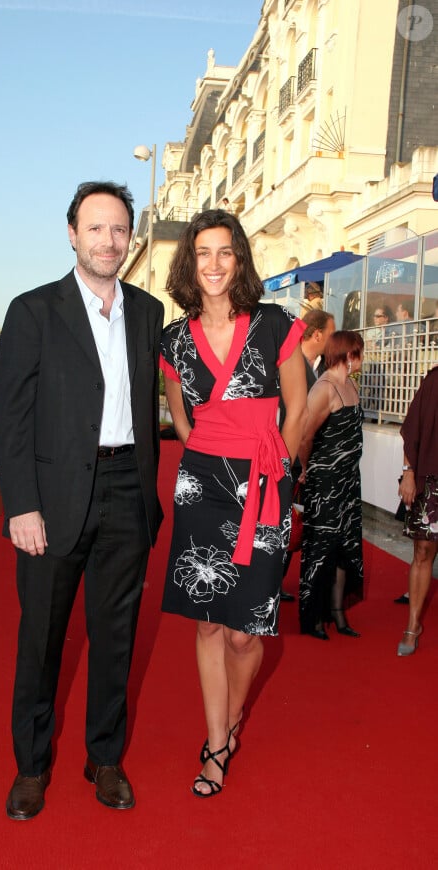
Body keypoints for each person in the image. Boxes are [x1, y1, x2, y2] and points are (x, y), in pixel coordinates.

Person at [0, 181, 164, 820]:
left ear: (130, 238)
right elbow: (10, 419)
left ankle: (105, 757)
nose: (108, 240)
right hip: (53, 497)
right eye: (95, 228)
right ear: (72, 234)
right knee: (41, 637)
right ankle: (31, 767)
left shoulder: (147, 313)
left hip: (126, 491)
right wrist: (21, 505)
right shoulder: (33, 311)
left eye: (118, 229)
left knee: (116, 636)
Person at [159, 209, 306, 798]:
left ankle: (234, 717)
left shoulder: (273, 324)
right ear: (189, 263)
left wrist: (276, 474)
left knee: (248, 633)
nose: (214, 264)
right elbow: (179, 417)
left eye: (225, 252)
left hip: (265, 485)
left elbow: (296, 409)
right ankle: (216, 742)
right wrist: (209, 460)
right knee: (209, 625)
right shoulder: (173, 340)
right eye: (203, 253)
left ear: (239, 260)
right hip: (203, 489)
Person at [298, 330, 365, 640]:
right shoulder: (323, 388)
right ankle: (312, 618)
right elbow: (305, 434)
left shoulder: (350, 385)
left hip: (350, 482)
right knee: (321, 549)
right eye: (360, 352)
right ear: (348, 355)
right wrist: (307, 468)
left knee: (345, 548)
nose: (363, 359)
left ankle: (337, 613)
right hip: (325, 483)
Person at [280, 309, 336, 599]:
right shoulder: (295, 365)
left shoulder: (312, 366)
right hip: (289, 460)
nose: (332, 339)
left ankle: (275, 583)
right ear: (317, 334)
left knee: (293, 523)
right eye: (330, 333)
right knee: (284, 522)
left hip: (300, 462)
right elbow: (294, 417)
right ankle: (269, 584)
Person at [396, 365, 438, 656]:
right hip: (432, 478)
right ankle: (412, 625)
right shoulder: (434, 379)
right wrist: (409, 472)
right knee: (422, 551)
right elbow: (413, 427)